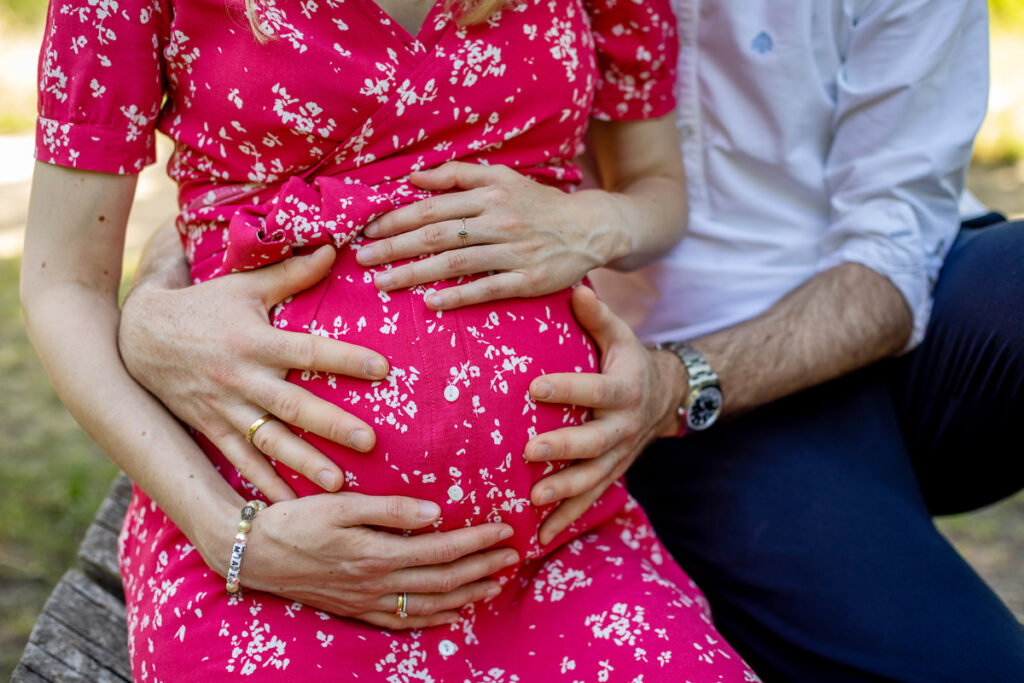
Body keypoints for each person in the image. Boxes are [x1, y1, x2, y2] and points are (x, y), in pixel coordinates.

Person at [115, 0, 1024, 681]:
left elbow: (891, 258)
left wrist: (671, 365)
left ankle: (861, 498)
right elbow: (292, 137)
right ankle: (843, 517)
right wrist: (151, 302)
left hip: (777, 347)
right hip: (646, 384)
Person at [22, 0, 761, 680]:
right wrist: (229, 535)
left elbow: (656, 186)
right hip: (276, 564)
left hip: (556, 549)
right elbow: (64, 287)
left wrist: (594, 222)